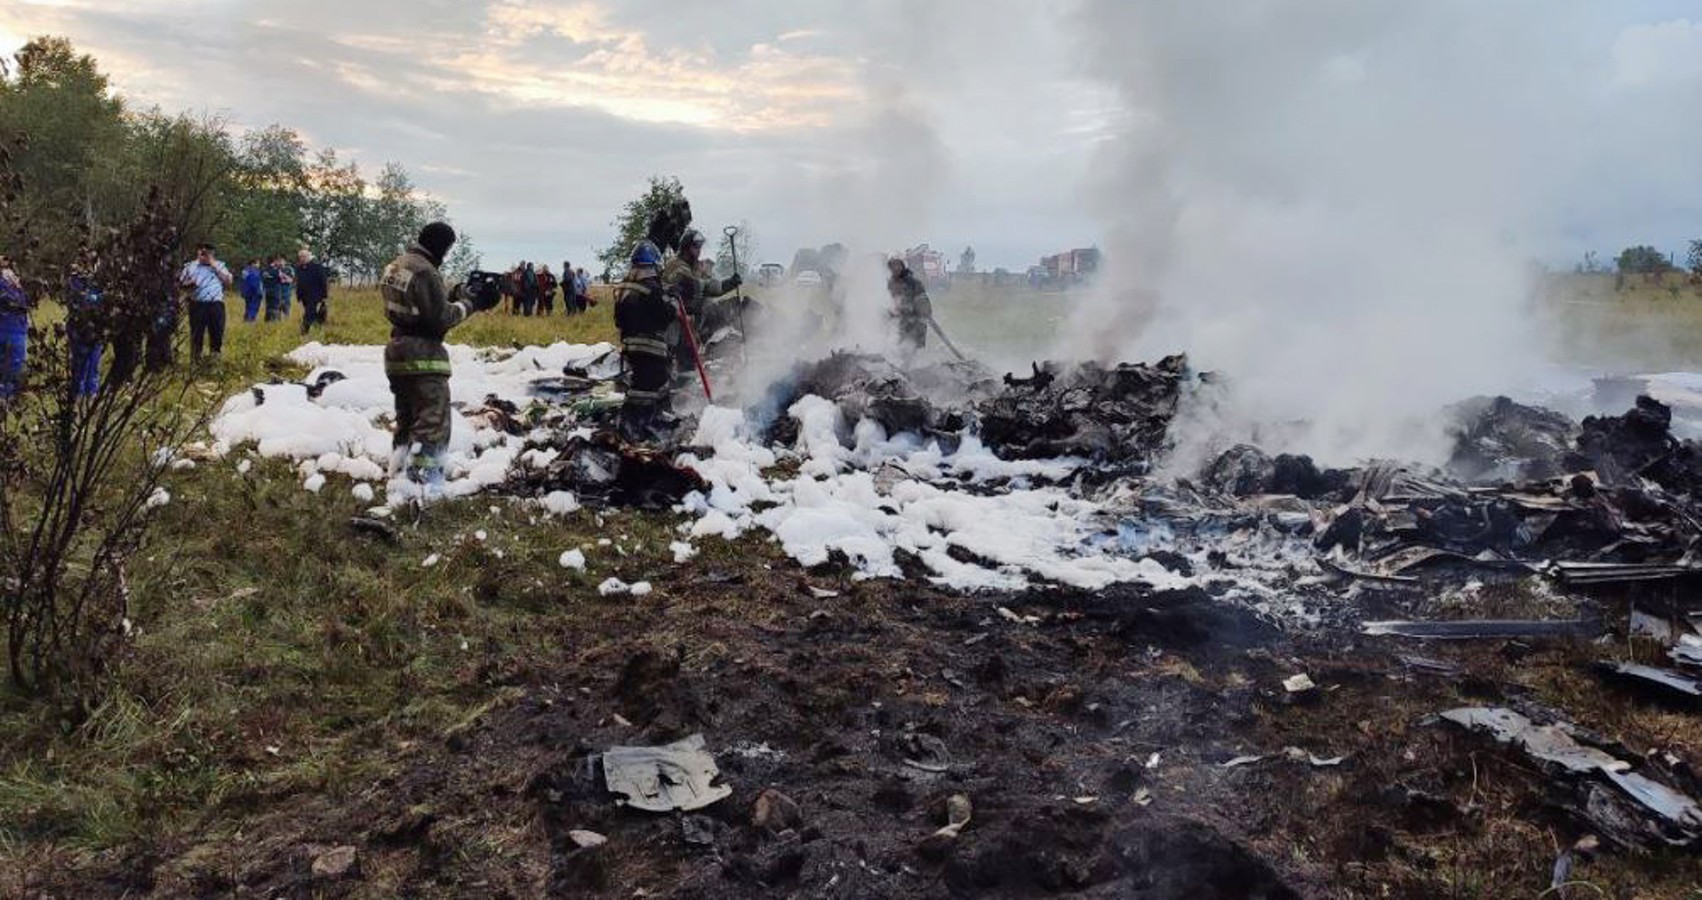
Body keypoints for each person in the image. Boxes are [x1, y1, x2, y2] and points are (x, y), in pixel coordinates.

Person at [380, 222, 499, 495]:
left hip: (396, 351)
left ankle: (398, 472)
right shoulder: (425, 272)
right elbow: (440, 318)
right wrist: (472, 304)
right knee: (432, 420)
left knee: (407, 417)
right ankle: (424, 481)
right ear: (442, 246)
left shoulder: (396, 266)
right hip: (423, 356)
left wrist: (455, 293)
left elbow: (418, 304)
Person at [614, 240, 677, 443]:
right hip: (650, 347)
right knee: (648, 387)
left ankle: (646, 421)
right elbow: (665, 316)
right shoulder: (651, 287)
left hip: (630, 346)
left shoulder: (624, 287)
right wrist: (672, 301)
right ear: (654, 265)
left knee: (645, 384)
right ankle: (635, 423)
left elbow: (618, 319)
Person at [662, 228, 740, 369]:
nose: (699, 251)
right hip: (673, 326)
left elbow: (711, 287)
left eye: (700, 247)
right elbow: (690, 287)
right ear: (686, 247)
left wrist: (730, 283)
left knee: (689, 363)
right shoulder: (675, 266)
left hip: (689, 325)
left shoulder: (695, 268)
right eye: (696, 247)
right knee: (677, 363)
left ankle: (684, 387)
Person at [180, 242, 233, 362]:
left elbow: (229, 281)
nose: (204, 255)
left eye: (208, 253)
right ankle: (195, 360)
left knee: (217, 332)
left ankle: (214, 359)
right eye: (202, 252)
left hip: (215, 303)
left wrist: (213, 264)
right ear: (197, 252)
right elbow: (180, 283)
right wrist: (188, 284)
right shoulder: (190, 266)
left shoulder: (219, 265)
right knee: (196, 334)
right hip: (197, 303)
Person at [66, 248, 104, 397]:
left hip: (97, 326)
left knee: (94, 363)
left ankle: (92, 394)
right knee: (80, 363)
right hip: (79, 326)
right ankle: (77, 395)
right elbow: (78, 300)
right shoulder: (75, 279)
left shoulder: (101, 280)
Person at [886, 256, 932, 362]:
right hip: (897, 326)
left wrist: (906, 309)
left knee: (907, 353)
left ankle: (904, 374)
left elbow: (924, 306)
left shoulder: (914, 284)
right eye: (893, 265)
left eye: (898, 265)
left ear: (903, 266)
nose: (896, 268)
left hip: (913, 325)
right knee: (893, 352)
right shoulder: (889, 284)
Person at [0, 254, 28, 400]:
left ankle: (9, 397)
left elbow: (25, 304)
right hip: (7, 329)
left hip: (16, 330)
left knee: (14, 366)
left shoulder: (17, 285)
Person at [295, 248, 330, 334]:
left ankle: (304, 331)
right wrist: (298, 295)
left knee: (309, 312)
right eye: (300, 257)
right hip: (304, 296)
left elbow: (323, 282)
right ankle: (317, 327)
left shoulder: (317, 267)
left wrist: (324, 296)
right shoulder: (299, 268)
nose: (302, 258)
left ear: (308, 257)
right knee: (312, 313)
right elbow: (299, 282)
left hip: (315, 295)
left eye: (304, 256)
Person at [262, 255, 285, 321]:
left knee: (268, 306)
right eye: (279, 261)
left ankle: (267, 320)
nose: (280, 263)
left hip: (267, 291)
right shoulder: (276, 270)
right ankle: (274, 321)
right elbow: (282, 279)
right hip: (275, 291)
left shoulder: (265, 269)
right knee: (275, 306)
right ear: (275, 261)